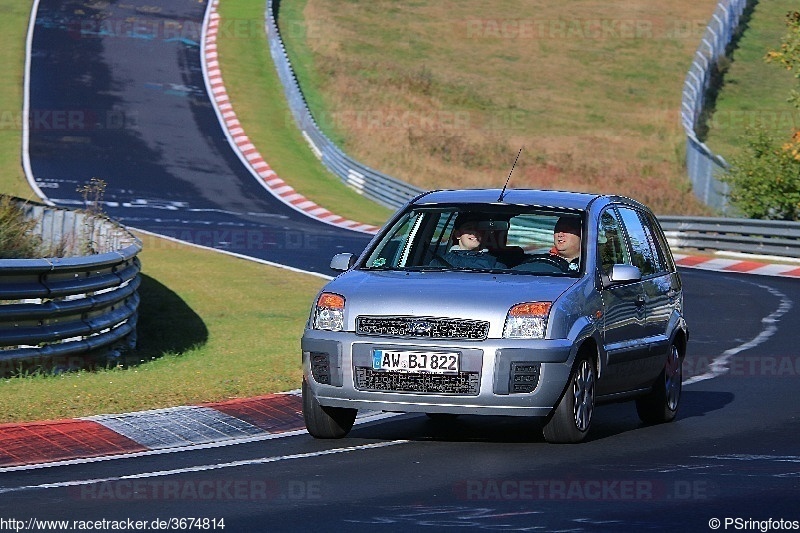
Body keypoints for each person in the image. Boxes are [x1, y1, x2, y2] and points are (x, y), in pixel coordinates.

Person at [429, 212, 507, 269]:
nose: (474, 232)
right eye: (469, 228)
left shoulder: (495, 264)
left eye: (477, 228)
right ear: (458, 234)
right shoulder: (438, 263)